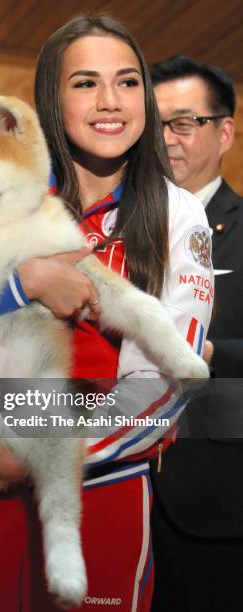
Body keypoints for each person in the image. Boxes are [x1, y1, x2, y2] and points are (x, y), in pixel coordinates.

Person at [0, 18, 212, 612]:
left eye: (128, 82)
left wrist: (22, 446)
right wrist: (21, 283)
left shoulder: (175, 212)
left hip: (93, 499)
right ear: (50, 102)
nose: (110, 101)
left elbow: (159, 388)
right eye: (85, 83)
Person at [149, 55, 243, 612]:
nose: (166, 140)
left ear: (224, 131)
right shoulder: (114, 227)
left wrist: (216, 355)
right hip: (118, 492)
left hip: (220, 511)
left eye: (182, 123)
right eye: (154, 125)